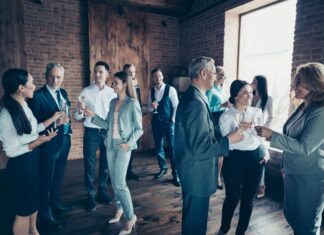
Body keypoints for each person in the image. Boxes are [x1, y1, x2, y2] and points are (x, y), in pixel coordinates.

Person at [174, 56, 244, 235]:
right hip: (197, 172)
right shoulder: (195, 103)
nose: (216, 77)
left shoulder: (193, 96)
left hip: (192, 169)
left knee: (193, 220)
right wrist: (229, 140)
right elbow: (200, 147)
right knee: (195, 224)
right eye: (213, 73)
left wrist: (221, 113)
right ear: (203, 73)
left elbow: (201, 122)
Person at [256, 62, 324, 235]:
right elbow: (291, 136)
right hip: (293, 173)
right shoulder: (303, 106)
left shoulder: (321, 111)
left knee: (306, 226)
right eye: (296, 81)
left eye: (301, 81)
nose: (295, 86)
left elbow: (305, 147)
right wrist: (286, 166)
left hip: (310, 178)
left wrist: (272, 136)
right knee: (292, 216)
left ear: (315, 83)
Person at [0, 68, 60, 235]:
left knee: (34, 201)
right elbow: (11, 151)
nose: (34, 86)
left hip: (33, 160)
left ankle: (34, 231)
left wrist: (53, 120)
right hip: (21, 166)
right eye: (31, 83)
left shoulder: (23, 105)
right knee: (23, 211)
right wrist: (38, 142)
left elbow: (33, 131)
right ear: (21, 88)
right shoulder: (6, 115)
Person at [86, 71, 143, 235]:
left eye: (116, 83)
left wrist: (130, 143)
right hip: (110, 146)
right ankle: (119, 208)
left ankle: (131, 217)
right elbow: (106, 124)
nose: (113, 85)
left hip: (124, 147)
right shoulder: (113, 102)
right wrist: (93, 116)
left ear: (125, 84)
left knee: (120, 183)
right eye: (113, 83)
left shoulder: (132, 103)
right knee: (115, 181)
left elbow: (139, 129)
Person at [217, 80, 270, 235]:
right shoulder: (226, 117)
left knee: (248, 200)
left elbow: (261, 137)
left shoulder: (257, 112)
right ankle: (224, 228)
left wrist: (265, 152)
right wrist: (239, 130)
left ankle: (241, 231)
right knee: (232, 197)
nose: (249, 96)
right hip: (235, 159)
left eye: (251, 92)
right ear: (235, 95)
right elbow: (228, 144)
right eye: (244, 93)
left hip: (256, 158)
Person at [28, 63, 72, 230]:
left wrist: (68, 127)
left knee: (58, 176)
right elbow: (35, 125)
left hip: (64, 141)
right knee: (45, 180)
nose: (55, 80)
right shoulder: (37, 96)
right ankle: (45, 215)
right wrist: (54, 122)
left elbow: (65, 112)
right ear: (46, 76)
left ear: (62, 77)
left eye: (59, 77)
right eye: (52, 76)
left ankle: (56, 203)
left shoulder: (64, 92)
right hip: (48, 144)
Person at [74, 61, 117, 211]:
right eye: (95, 71)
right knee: (90, 165)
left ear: (107, 74)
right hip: (91, 132)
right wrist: (80, 111)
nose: (97, 74)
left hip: (106, 132)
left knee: (105, 164)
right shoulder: (85, 91)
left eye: (100, 72)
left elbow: (114, 115)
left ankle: (102, 191)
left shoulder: (112, 93)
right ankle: (90, 195)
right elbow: (77, 116)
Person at [148, 68, 180, 186]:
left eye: (160, 76)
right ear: (153, 78)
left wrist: (172, 121)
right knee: (158, 147)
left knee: (172, 148)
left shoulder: (170, 89)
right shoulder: (151, 91)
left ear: (163, 77)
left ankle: (176, 174)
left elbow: (177, 106)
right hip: (156, 122)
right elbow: (150, 109)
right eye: (155, 77)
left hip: (168, 123)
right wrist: (152, 107)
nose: (158, 79)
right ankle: (163, 168)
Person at [206, 66, 229, 190]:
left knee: (221, 151)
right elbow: (207, 109)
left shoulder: (221, 89)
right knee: (215, 149)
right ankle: (211, 176)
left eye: (224, 74)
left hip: (223, 120)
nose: (222, 76)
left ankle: (218, 177)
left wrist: (227, 106)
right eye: (220, 74)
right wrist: (221, 105)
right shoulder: (210, 90)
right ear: (214, 75)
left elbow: (225, 104)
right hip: (214, 121)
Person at [251, 75, 273, 199]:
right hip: (249, 131)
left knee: (261, 158)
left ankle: (262, 187)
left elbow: (271, 116)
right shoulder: (250, 96)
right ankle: (251, 183)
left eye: (254, 81)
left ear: (260, 84)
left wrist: (264, 129)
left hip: (260, 133)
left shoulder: (268, 99)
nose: (252, 82)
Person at [123, 63, 141, 180]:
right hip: (123, 121)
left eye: (133, 72)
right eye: (129, 73)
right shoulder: (119, 84)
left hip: (134, 120)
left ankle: (129, 170)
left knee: (132, 145)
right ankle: (120, 173)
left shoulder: (136, 84)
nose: (132, 75)